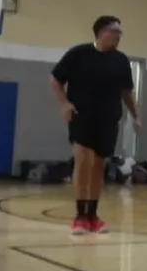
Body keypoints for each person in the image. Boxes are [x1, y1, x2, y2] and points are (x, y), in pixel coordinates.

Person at [50, 16, 141, 235]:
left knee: (98, 165)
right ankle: (80, 216)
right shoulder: (78, 54)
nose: (119, 36)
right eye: (115, 31)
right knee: (83, 160)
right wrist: (64, 103)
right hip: (81, 116)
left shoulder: (121, 61)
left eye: (120, 32)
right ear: (102, 32)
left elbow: (126, 92)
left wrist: (136, 115)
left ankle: (92, 215)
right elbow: (55, 79)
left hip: (108, 119)